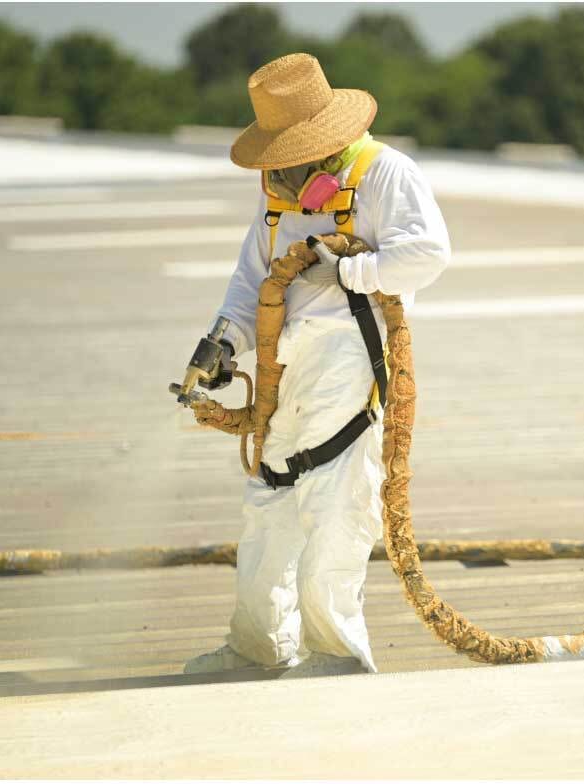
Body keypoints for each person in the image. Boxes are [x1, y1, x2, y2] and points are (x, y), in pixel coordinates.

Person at [182, 53, 450, 678]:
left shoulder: (386, 175)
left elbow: (430, 253)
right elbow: (250, 280)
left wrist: (351, 270)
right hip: (285, 371)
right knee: (269, 504)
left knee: (335, 512)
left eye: (288, 159)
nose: (277, 174)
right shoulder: (278, 199)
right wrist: (223, 343)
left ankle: (338, 657)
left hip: (350, 369)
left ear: (321, 149)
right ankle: (258, 648)